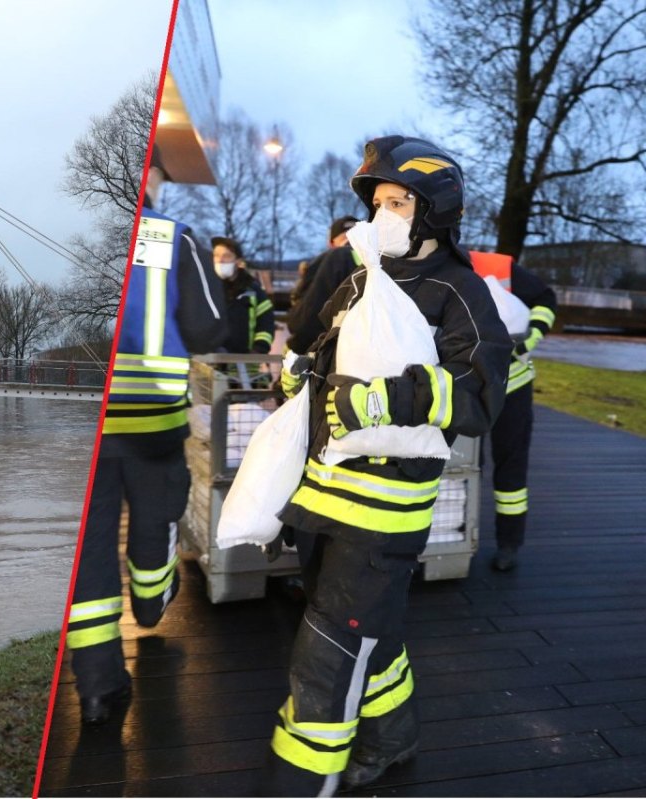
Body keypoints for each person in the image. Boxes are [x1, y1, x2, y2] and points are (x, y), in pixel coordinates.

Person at [269, 136, 512, 794]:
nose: (383, 215)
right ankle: (393, 737)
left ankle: (300, 776)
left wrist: (393, 398)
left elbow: (484, 394)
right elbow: (319, 354)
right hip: (323, 493)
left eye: (399, 202)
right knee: (372, 630)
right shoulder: (358, 279)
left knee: (326, 655)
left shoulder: (458, 292)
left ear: (434, 211)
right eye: (377, 203)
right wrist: (296, 383)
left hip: (383, 513)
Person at [64, 148, 226, 725]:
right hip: (153, 420)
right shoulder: (172, 238)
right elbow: (210, 327)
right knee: (154, 519)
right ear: (153, 176)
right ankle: (153, 604)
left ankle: (100, 691)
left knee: (89, 552)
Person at [469, 251, 558, 572]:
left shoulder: (497, 266)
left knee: (511, 469)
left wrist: (530, 337)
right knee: (458, 470)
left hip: (512, 385)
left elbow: (545, 299)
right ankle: (453, 540)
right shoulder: (429, 266)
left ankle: (509, 544)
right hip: (461, 387)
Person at [286, 215, 362, 355]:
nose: (351, 242)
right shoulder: (385, 261)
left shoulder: (337, 258)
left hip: (329, 348)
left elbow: (306, 317)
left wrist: (297, 346)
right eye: (346, 236)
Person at [210, 236, 276, 358]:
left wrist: (258, 350)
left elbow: (266, 325)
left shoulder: (253, 291)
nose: (220, 260)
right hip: (209, 363)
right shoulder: (205, 289)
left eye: (227, 256)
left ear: (238, 261)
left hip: (245, 366)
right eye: (216, 255)